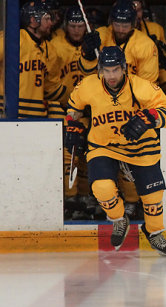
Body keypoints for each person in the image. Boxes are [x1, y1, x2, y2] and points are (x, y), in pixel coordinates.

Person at [65, 46, 166, 255]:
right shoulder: (88, 86)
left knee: (153, 197)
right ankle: (119, 218)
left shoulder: (142, 87)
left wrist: (148, 117)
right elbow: (73, 109)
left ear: (124, 68)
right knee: (102, 188)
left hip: (141, 147)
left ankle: (154, 234)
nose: (111, 75)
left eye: (115, 70)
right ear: (100, 70)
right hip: (103, 145)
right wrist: (72, 124)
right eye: (106, 70)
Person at [79, 1, 160, 220]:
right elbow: (87, 73)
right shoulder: (100, 35)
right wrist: (87, 54)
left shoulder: (145, 45)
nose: (121, 28)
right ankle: (103, 201)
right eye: (117, 23)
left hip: (133, 111)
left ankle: (133, 202)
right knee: (100, 157)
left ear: (134, 23)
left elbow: (148, 85)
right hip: (104, 107)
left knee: (131, 161)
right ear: (111, 21)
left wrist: (137, 115)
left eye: (126, 24)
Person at [50, 5, 98, 220]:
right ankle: (70, 199)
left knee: (90, 154)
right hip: (65, 108)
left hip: (90, 110)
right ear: (65, 25)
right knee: (70, 153)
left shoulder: (95, 47)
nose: (77, 30)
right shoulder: (55, 46)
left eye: (80, 26)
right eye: (72, 25)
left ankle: (86, 196)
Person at [0, 0, 66, 118]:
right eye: (47, 19)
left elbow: (52, 87)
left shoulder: (50, 50)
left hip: (37, 116)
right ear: (33, 20)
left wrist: (75, 96)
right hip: (7, 113)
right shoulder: (11, 38)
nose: (51, 23)